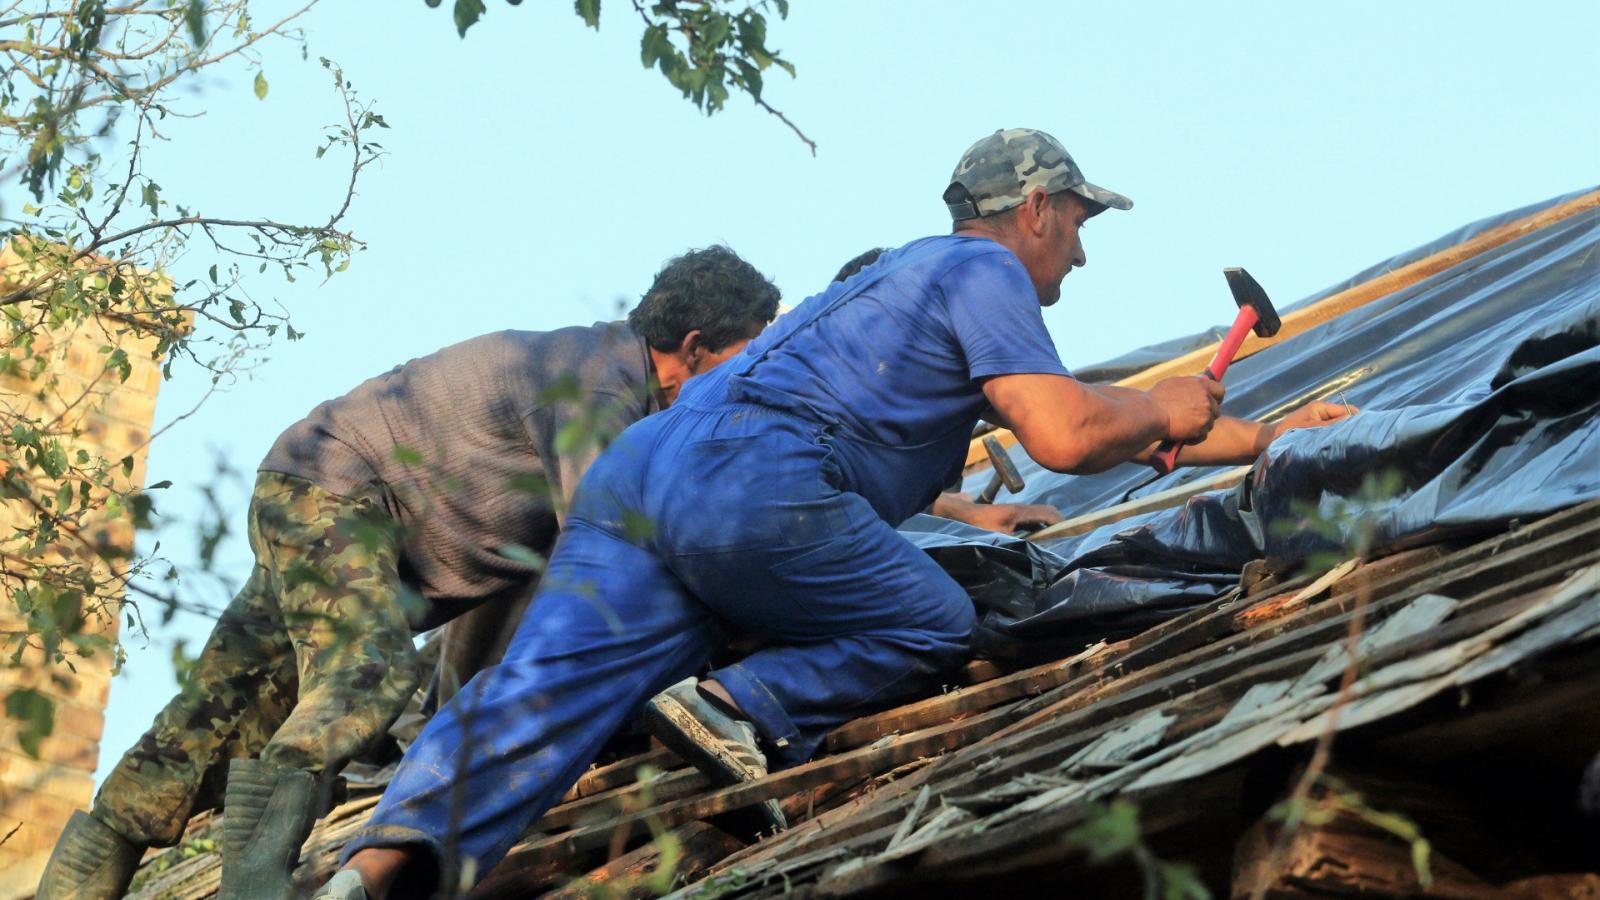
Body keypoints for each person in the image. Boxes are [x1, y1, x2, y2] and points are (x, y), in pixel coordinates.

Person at [326, 128, 1352, 900]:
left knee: (539, 694)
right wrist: (1161, 405)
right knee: (929, 617)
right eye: (1078, 226)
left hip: (644, 477)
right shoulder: (983, 268)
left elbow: (1097, 415)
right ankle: (739, 707)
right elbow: (1064, 435)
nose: (1078, 256)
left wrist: (1262, 433)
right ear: (1034, 207)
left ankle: (375, 867)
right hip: (756, 482)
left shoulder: (890, 285)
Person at [35, 246, 780, 900]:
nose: (743, 379)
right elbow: (608, 552)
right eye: (744, 355)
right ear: (694, 345)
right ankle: (256, 885)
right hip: (341, 497)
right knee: (365, 678)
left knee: (214, 716)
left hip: (312, 489)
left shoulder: (588, 365)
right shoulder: (600, 388)